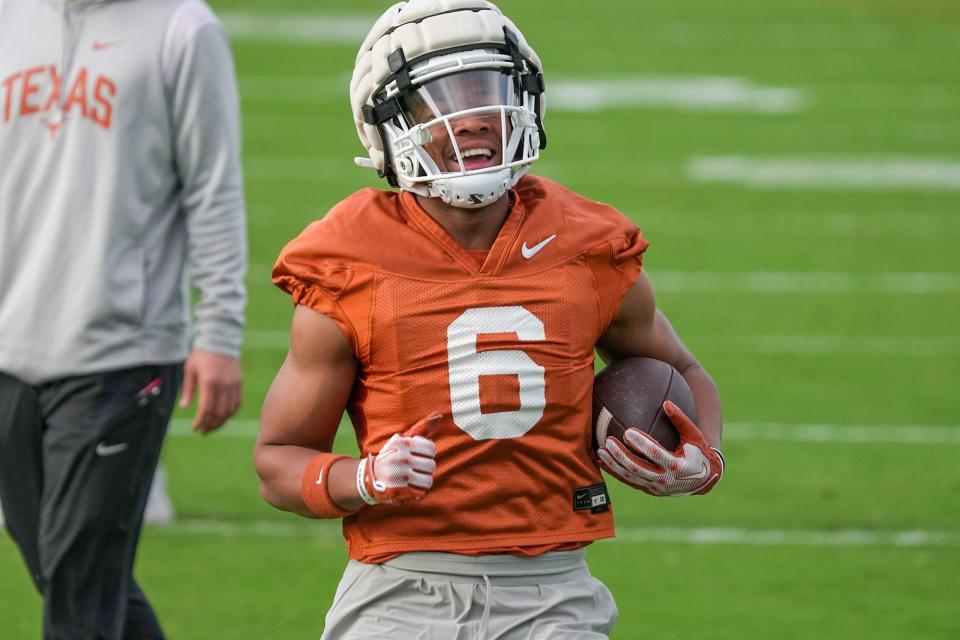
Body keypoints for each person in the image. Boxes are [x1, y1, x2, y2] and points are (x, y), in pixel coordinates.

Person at [256, 1, 723, 638]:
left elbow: (683, 370)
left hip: (554, 589)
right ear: (389, 126)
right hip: (400, 588)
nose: (474, 117)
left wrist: (703, 462)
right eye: (441, 100)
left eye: (488, 91)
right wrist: (363, 477)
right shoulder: (349, 259)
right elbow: (279, 460)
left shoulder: (586, 243)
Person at [0, 0, 246, 637]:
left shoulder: (184, 31)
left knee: (81, 590)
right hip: (8, 349)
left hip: (120, 357)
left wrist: (218, 334)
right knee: (65, 574)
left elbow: (214, 190)